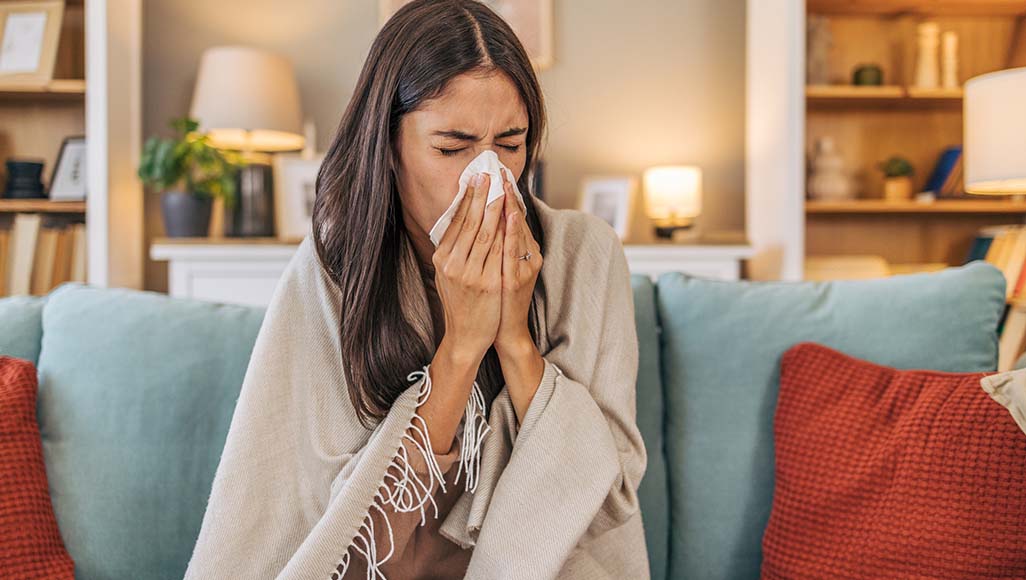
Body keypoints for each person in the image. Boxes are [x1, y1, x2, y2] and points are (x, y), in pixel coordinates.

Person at [183, 1, 649, 578]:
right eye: (451, 148)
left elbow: (610, 500)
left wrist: (514, 339)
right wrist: (460, 346)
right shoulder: (335, 267)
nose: (489, 177)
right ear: (388, 145)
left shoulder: (585, 255)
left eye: (510, 143)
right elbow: (336, 541)